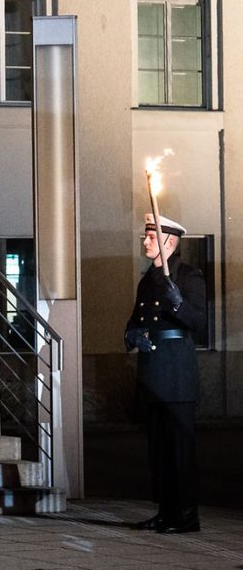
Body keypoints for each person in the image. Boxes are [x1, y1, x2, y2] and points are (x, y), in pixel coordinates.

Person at [125, 213, 205, 534]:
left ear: (169, 242)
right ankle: (165, 511)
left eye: (150, 237)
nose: (144, 241)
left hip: (176, 375)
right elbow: (135, 319)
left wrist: (177, 303)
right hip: (153, 374)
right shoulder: (148, 278)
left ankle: (186, 516)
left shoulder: (188, 276)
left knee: (179, 451)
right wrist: (131, 335)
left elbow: (199, 322)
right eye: (145, 237)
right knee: (158, 450)